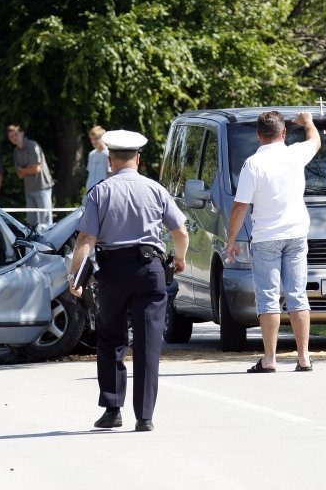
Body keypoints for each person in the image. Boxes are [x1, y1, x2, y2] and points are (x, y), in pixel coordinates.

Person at [68, 129, 189, 432]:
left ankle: (112, 409)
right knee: (148, 343)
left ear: (110, 159)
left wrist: (75, 276)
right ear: (138, 158)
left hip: (112, 271)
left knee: (110, 340)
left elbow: (86, 238)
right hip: (150, 270)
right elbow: (180, 232)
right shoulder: (156, 189)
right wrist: (180, 259)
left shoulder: (100, 191)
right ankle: (144, 417)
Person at [225, 111, 321, 373]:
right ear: (283, 133)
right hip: (297, 234)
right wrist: (308, 120)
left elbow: (240, 206)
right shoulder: (295, 153)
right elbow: (315, 140)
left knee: (268, 298)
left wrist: (231, 240)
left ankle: (270, 359)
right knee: (297, 296)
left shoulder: (253, 164)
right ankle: (304, 358)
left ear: (258, 135)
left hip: (266, 237)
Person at [7, 124, 54, 228]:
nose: (14, 138)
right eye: (11, 136)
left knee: (45, 223)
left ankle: (48, 244)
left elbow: (36, 169)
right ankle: (35, 244)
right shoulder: (16, 152)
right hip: (29, 190)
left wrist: (23, 170)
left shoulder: (32, 145)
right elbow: (19, 175)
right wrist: (28, 168)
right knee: (32, 224)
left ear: (22, 133)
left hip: (43, 188)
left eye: (16, 134)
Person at [85, 125, 110, 193]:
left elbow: (110, 174)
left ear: (103, 138)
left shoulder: (108, 154)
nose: (93, 141)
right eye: (91, 139)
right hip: (90, 190)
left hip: (103, 191)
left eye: (96, 138)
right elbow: (90, 174)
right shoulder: (91, 154)